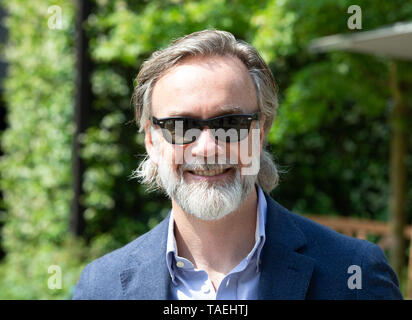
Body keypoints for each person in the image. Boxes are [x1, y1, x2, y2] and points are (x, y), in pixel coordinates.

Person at [73, 29, 402, 300]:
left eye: (230, 122)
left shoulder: (353, 274)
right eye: (180, 126)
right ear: (151, 140)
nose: (207, 148)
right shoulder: (101, 287)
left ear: (262, 131)